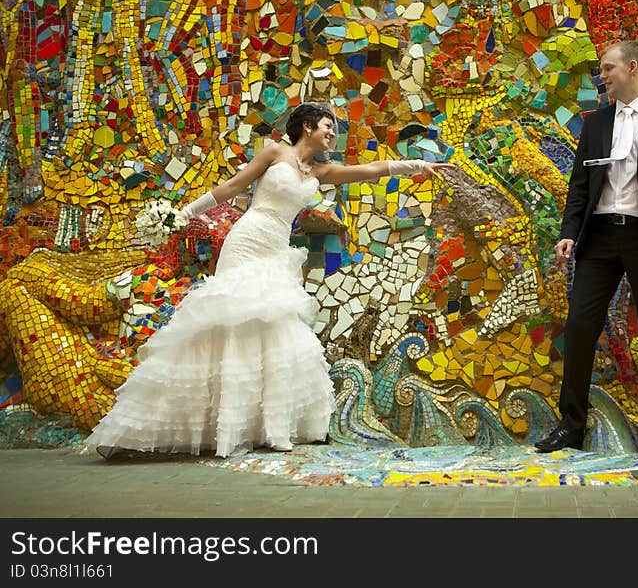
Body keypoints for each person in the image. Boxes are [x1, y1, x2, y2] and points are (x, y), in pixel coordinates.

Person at [85, 102, 450, 458]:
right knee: (231, 321)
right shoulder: (274, 152)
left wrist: (416, 165)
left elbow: (371, 170)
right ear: (308, 126)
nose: (332, 136)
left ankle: (269, 427)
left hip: (277, 249)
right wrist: (183, 214)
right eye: (328, 127)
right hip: (246, 240)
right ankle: (213, 422)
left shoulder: (320, 172)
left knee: (275, 326)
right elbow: (231, 188)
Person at [534, 40, 638, 457]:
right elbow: (578, 186)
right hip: (600, 237)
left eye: (607, 68)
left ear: (631, 68)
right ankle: (570, 425)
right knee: (580, 329)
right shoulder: (595, 123)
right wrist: (569, 232)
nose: (602, 76)